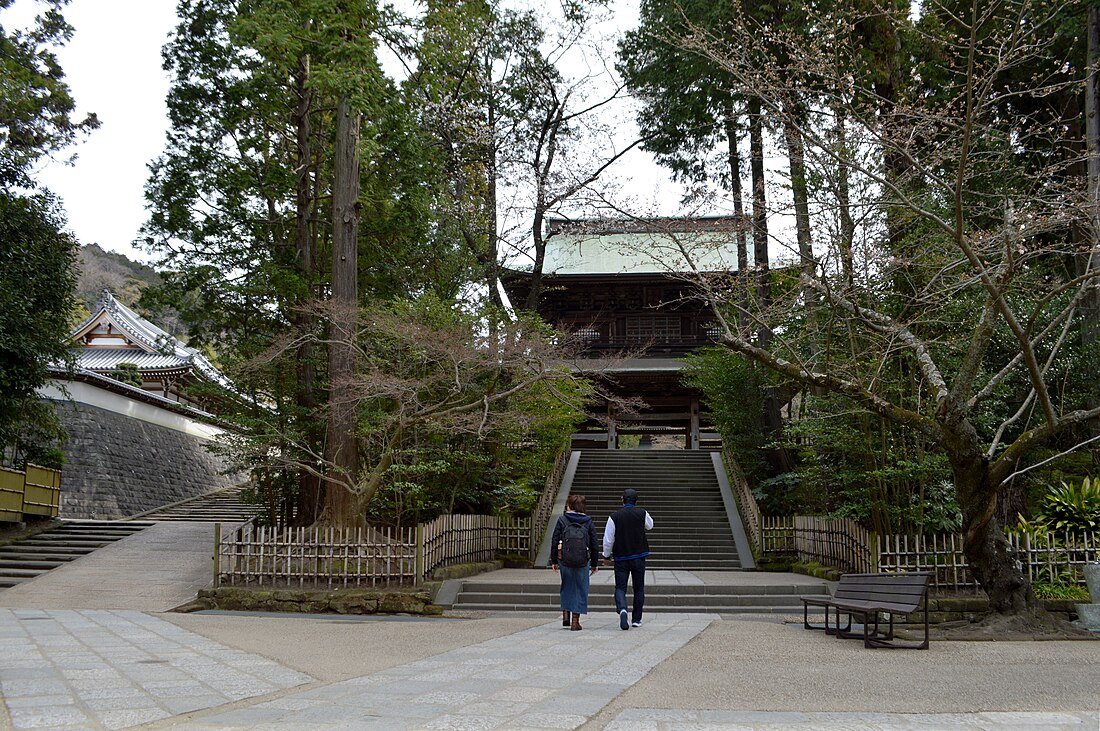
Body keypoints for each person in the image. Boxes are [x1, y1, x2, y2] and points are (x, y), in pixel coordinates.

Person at [602, 487, 653, 630]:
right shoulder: (642, 513)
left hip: (621, 557)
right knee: (639, 588)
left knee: (620, 587)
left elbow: (608, 539)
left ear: (622, 501)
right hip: (639, 555)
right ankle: (636, 619)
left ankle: (623, 608)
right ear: (636, 501)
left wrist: (606, 556)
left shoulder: (614, 516)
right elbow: (650, 525)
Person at [550, 494, 599, 630]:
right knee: (581, 588)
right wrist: (594, 563)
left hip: (564, 559)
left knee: (567, 585)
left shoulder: (562, 520)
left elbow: (554, 541)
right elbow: (594, 543)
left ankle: (566, 613)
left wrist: (554, 560)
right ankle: (575, 622)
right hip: (583, 560)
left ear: (570, 506)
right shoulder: (588, 521)